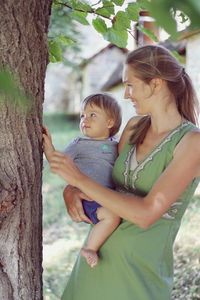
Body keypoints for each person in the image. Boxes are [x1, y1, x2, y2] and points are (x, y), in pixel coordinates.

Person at [49, 45, 200, 300]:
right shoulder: (132, 128)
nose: (127, 94)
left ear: (156, 84)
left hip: (137, 278)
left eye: (130, 85)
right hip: (93, 264)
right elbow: (104, 181)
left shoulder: (192, 142)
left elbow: (145, 214)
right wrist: (72, 189)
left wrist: (78, 179)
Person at [43, 93, 122, 268]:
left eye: (92, 115)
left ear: (110, 122)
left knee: (115, 212)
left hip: (106, 197)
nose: (85, 119)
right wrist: (49, 147)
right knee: (112, 216)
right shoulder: (79, 143)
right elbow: (59, 162)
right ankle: (90, 248)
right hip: (87, 198)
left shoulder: (116, 145)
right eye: (82, 115)